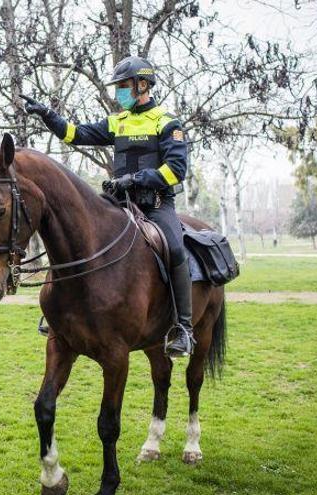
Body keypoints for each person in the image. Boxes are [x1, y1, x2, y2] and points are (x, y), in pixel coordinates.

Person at [21, 55, 194, 358]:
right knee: (78, 237)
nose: (120, 93)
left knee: (176, 249)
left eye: (124, 86)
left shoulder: (167, 123)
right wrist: (48, 115)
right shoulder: (117, 122)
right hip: (120, 203)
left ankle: (183, 327)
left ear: (143, 84)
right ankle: (58, 312)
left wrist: (138, 179)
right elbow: (74, 134)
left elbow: (175, 170)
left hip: (155, 205)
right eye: (118, 88)